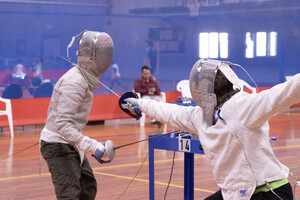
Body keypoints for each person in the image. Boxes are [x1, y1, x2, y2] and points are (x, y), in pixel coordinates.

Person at [125, 58, 294, 200]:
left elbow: (281, 93)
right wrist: (140, 104)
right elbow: (171, 112)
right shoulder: (201, 116)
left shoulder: (242, 105)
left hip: (269, 190)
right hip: (235, 193)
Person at [40, 31, 115, 200]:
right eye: (100, 55)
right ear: (90, 57)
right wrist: (91, 145)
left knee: (87, 188)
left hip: (69, 141)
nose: (103, 60)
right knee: (70, 195)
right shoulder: (74, 82)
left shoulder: (84, 78)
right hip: (57, 144)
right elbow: (63, 123)